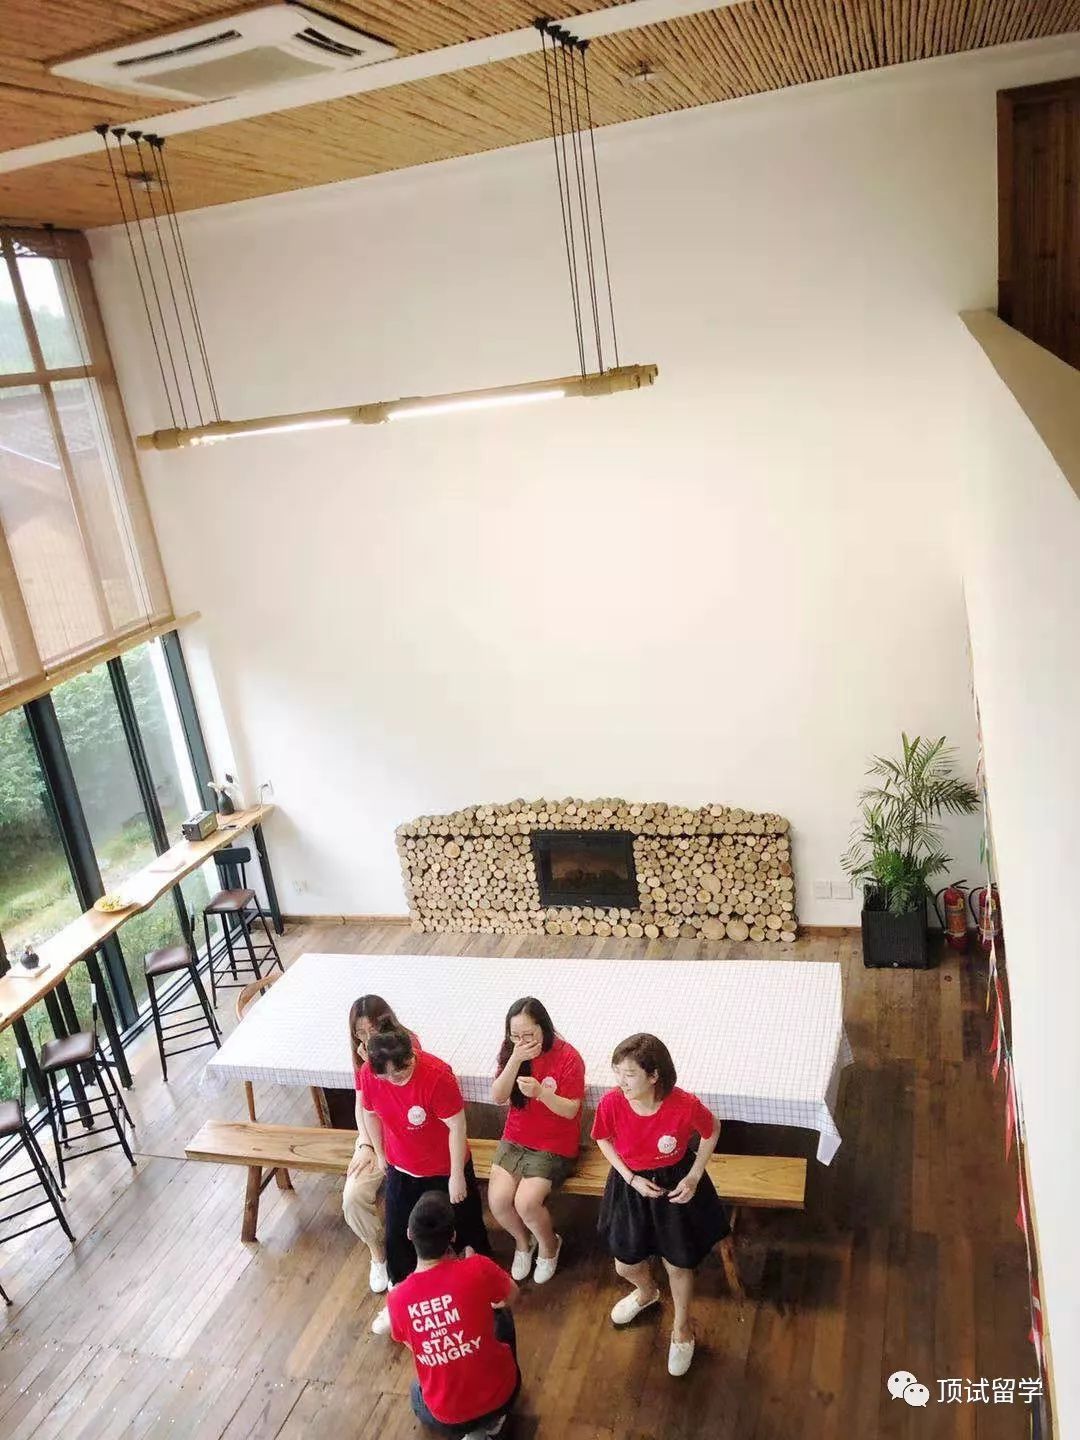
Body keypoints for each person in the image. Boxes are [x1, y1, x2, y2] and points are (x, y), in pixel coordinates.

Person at [591, 1032, 729, 1376]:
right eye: (617, 1073)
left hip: (674, 1184)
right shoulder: (611, 1103)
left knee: (678, 1264)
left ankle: (682, 1328)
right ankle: (647, 1292)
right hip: (631, 1185)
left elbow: (712, 1129)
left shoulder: (683, 1104)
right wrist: (629, 1177)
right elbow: (602, 1138)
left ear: (654, 1075)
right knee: (625, 1264)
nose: (621, 1082)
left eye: (629, 1074)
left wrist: (694, 1175)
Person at [361, 1019, 492, 1335]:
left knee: (468, 1229)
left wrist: (457, 1175)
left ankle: (481, 1289)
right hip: (402, 1166)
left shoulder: (437, 1075)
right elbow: (369, 1113)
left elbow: (457, 1126)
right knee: (397, 1233)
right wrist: (379, 1152)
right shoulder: (370, 1074)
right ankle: (398, 1300)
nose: (393, 1081)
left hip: (444, 1167)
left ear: (410, 1058)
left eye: (399, 1074)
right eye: (385, 1076)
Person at [389, 1191, 521, 1440]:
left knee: (416, 1391)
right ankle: (495, 1420)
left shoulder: (397, 1298)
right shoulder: (478, 1267)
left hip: (447, 1416)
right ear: (453, 1236)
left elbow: (413, 1345)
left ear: (409, 1234)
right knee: (501, 1311)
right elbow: (512, 1295)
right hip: (501, 1397)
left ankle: (471, 1432)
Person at [488, 996, 585, 1282]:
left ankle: (549, 1245)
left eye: (528, 1035)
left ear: (544, 1027)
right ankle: (523, 1243)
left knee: (527, 1203)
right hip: (516, 1137)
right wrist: (515, 1059)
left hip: (554, 1143)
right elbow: (498, 1096)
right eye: (515, 1035)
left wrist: (542, 1093)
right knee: (498, 1201)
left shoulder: (568, 1057)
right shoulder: (512, 1052)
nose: (522, 1041)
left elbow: (571, 1110)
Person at [343, 994, 417, 1294]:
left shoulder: (405, 1044)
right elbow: (362, 1105)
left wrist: (373, 1066)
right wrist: (366, 1145)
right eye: (359, 1033)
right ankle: (377, 1253)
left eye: (371, 1030)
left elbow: (405, 1096)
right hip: (374, 1138)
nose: (366, 1038)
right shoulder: (361, 1058)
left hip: (404, 1135)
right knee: (353, 1197)